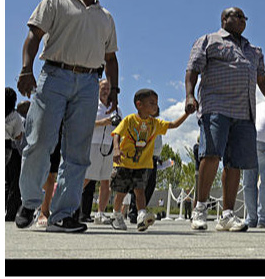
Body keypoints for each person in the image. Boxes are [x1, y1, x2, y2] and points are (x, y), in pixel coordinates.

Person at [14, 0, 119, 233]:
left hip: (88, 83)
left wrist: (114, 92)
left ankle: (63, 214)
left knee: (78, 151)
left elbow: (110, 58)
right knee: (39, 141)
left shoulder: (105, 17)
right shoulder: (56, 1)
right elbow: (33, 36)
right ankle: (29, 201)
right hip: (54, 76)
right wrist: (26, 69)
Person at [185, 6, 265, 232]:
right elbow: (192, 69)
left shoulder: (253, 50)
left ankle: (227, 215)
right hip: (216, 106)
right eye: (236, 16)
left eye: (244, 17)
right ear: (223, 19)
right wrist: (190, 95)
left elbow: (263, 78)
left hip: (244, 112)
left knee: (235, 162)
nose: (241, 20)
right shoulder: (208, 40)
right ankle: (200, 209)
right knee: (211, 155)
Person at [109, 89, 189, 231]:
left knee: (140, 191)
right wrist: (116, 148)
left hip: (142, 165)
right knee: (121, 192)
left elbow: (173, 125)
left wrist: (187, 113)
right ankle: (116, 215)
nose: (155, 106)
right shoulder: (129, 120)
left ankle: (141, 215)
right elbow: (116, 133)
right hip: (125, 163)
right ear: (139, 104)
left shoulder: (155, 123)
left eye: (156, 103)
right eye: (151, 103)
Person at [129, 105, 188, 223]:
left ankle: (142, 210)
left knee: (150, 184)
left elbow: (171, 127)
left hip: (154, 158)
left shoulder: (157, 124)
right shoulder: (141, 122)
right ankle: (134, 211)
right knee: (140, 185)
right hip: (144, 157)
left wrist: (159, 158)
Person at [81, 79, 122, 224]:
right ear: (98, 89)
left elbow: (120, 128)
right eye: (103, 88)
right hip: (94, 143)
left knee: (106, 181)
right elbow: (85, 124)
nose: (106, 91)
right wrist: (103, 122)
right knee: (86, 178)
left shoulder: (115, 108)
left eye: (108, 88)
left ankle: (100, 213)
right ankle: (70, 207)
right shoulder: (92, 105)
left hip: (109, 145)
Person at [6, 88, 25, 221]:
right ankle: (11, 212)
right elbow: (18, 136)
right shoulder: (15, 116)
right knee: (14, 182)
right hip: (8, 148)